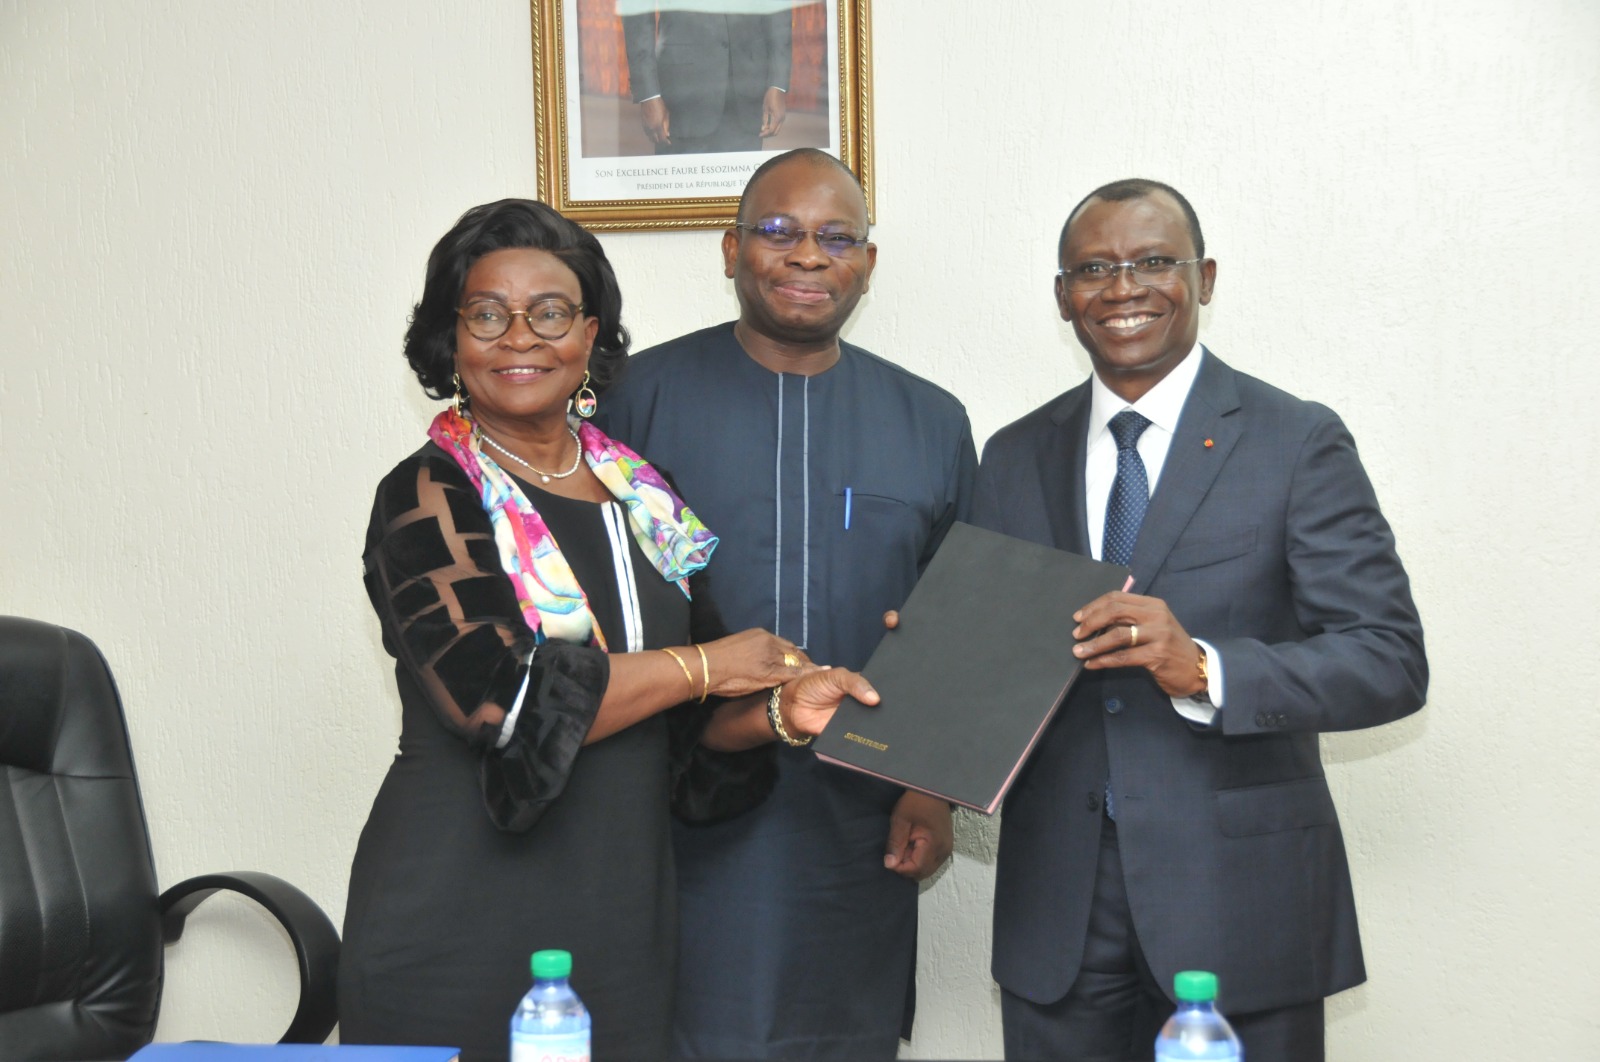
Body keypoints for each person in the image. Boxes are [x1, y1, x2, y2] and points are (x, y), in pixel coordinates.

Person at [338, 198, 878, 1062]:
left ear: (590, 336)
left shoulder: (644, 495)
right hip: (455, 917)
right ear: (452, 340)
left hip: (622, 921)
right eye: (487, 314)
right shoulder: (427, 495)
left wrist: (781, 711)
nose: (520, 337)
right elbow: (507, 702)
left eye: (550, 312)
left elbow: (690, 729)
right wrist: (706, 665)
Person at [974, 179, 1428, 1062]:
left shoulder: (1295, 440)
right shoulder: (1014, 453)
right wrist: (934, 656)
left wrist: (1207, 669)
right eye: (1093, 269)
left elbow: (1389, 660)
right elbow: (995, 663)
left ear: (1204, 278)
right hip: (1057, 908)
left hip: (1239, 902)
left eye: (1153, 262)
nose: (1122, 287)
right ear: (1063, 295)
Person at [596, 148, 978, 1059]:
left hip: (859, 822)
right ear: (732, 250)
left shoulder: (930, 421)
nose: (808, 254)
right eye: (778, 231)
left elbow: (957, 623)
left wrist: (931, 792)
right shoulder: (633, 402)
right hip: (675, 811)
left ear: (867, 264)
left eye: (836, 237)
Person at [620, 4, 791, 154]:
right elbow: (637, 12)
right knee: (681, 180)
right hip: (682, 97)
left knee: (745, 182)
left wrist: (777, 83)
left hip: (748, 93)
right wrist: (648, 94)